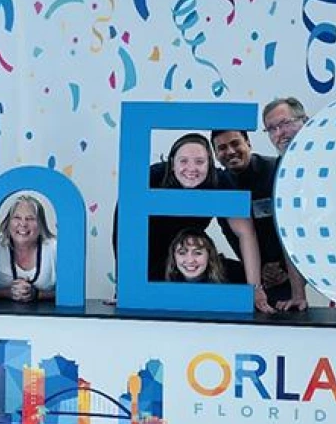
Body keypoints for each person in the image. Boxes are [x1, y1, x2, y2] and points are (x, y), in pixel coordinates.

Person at [112, 133, 269, 311]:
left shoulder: (220, 181)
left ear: (210, 163)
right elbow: (123, 233)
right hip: (149, 259)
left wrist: (256, 289)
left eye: (200, 162)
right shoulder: (151, 177)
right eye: (184, 161)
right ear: (172, 163)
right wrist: (123, 286)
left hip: (190, 254)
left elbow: (246, 233)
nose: (191, 169)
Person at [211, 129, 308, 312]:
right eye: (222, 148)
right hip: (249, 273)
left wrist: (286, 271)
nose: (230, 151)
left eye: (235, 143)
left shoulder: (276, 171)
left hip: (285, 272)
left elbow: (299, 226)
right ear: (215, 155)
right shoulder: (218, 183)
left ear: (248, 143)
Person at [0, 194, 58, 303]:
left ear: (41, 224)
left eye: (30, 218)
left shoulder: (54, 248)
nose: (23, 224)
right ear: (8, 222)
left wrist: (38, 295)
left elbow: (71, 291)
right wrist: (6, 293)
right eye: (17, 218)